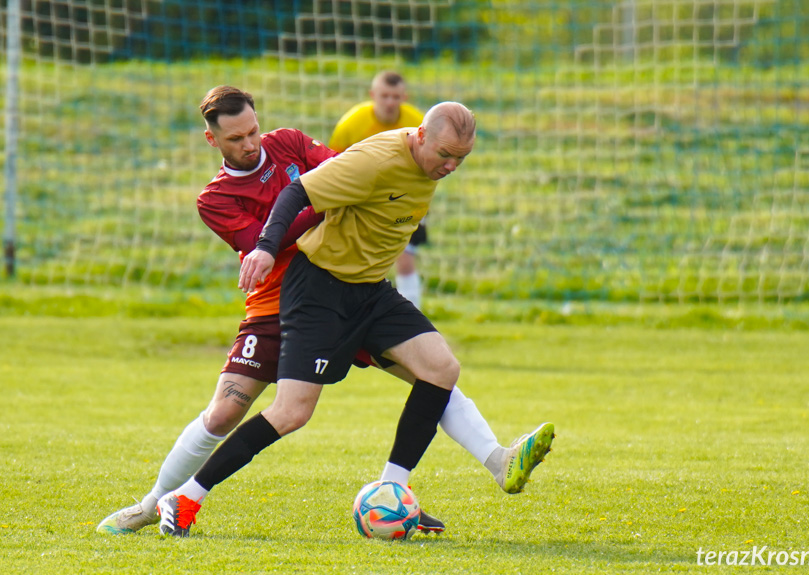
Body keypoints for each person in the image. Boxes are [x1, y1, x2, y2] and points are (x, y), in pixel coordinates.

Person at [96, 86, 551, 537]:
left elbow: (342, 176)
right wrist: (320, 210)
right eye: (236, 138)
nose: (250, 143)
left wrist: (343, 200)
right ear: (212, 140)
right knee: (240, 412)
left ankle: (428, 483)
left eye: (253, 130)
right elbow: (288, 218)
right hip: (287, 296)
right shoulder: (215, 198)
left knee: (436, 371)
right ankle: (159, 502)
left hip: (359, 285)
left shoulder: (291, 143)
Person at [330, 71, 427, 309]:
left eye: (396, 96)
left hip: (405, 201)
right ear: (373, 95)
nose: (390, 102)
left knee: (404, 259)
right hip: (361, 204)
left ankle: (412, 315)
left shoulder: (419, 123)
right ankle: (349, 312)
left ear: (405, 96)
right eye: (385, 96)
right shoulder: (351, 124)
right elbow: (331, 164)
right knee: (355, 260)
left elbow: (429, 167)